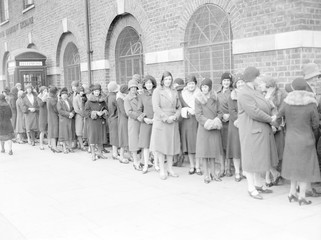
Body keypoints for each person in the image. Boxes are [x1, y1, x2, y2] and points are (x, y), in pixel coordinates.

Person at [276, 77, 320, 205]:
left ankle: (291, 193)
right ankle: (302, 196)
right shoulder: (311, 103)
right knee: (304, 167)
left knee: (293, 166)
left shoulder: (286, 102)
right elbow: (316, 124)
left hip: (290, 138)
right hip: (306, 139)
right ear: (305, 88)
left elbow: (278, 118)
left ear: (293, 88)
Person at [238, 67, 278, 200]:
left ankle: (258, 185)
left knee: (259, 160)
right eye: (258, 77)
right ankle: (251, 188)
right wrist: (271, 119)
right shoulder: (244, 93)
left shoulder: (256, 91)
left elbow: (268, 105)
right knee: (251, 160)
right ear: (252, 78)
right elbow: (254, 112)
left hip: (259, 131)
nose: (260, 80)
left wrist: (273, 113)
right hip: (251, 131)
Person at [150, 71, 181, 180]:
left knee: (171, 146)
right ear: (162, 80)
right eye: (166, 79)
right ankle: (162, 170)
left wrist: (175, 116)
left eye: (169, 79)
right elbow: (156, 108)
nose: (168, 81)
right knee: (162, 147)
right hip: (162, 122)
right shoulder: (157, 91)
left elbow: (179, 107)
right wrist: (165, 118)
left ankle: (170, 169)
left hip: (172, 121)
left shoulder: (174, 91)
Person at [195, 78, 224, 183]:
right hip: (204, 128)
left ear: (210, 87)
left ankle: (213, 173)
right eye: (202, 87)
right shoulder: (198, 99)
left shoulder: (215, 98)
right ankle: (206, 174)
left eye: (206, 86)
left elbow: (220, 112)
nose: (204, 89)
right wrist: (208, 122)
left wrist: (216, 120)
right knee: (204, 152)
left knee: (212, 152)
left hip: (214, 128)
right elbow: (198, 115)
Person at [262, 76, 287, 186]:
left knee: (275, 153)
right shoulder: (261, 94)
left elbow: (281, 112)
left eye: (268, 86)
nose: (265, 87)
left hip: (277, 127)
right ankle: (272, 175)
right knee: (266, 153)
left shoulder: (280, 95)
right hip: (266, 126)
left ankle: (275, 175)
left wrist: (276, 125)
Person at [179, 74, 201, 175]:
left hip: (197, 121)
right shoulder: (182, 95)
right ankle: (192, 165)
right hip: (187, 121)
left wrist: (196, 111)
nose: (191, 86)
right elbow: (179, 107)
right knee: (189, 144)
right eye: (189, 84)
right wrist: (187, 109)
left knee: (198, 144)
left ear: (195, 84)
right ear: (186, 85)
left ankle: (198, 166)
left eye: (192, 83)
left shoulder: (200, 94)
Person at [137, 75, 157, 174]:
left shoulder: (157, 94)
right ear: (144, 85)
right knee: (146, 145)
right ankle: (145, 165)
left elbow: (160, 108)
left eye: (150, 83)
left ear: (153, 83)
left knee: (156, 145)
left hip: (156, 122)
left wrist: (155, 119)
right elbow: (138, 110)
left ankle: (157, 165)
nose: (149, 85)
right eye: (147, 83)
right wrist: (144, 119)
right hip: (145, 123)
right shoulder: (141, 96)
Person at [226, 74, 245, 182]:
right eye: (238, 83)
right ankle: (237, 171)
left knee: (246, 149)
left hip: (247, 125)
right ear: (235, 85)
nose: (241, 84)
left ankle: (245, 171)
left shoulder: (248, 95)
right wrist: (241, 120)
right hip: (235, 125)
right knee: (236, 149)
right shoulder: (232, 96)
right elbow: (232, 112)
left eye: (242, 82)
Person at [85, 84, 108, 160]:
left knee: (100, 137)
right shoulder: (89, 101)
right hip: (93, 122)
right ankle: (93, 154)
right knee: (93, 138)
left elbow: (106, 109)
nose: (97, 93)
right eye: (95, 91)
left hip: (101, 121)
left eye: (98, 91)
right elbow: (86, 112)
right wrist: (95, 112)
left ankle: (100, 153)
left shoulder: (102, 101)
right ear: (92, 92)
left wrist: (104, 111)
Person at [124, 79, 144, 170]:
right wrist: (138, 116)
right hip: (133, 122)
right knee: (134, 143)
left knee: (142, 141)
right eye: (131, 88)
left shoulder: (140, 97)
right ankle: (136, 162)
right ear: (129, 89)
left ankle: (142, 161)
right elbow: (128, 112)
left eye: (135, 87)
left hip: (141, 121)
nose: (133, 89)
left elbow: (143, 107)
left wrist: (143, 115)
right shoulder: (127, 99)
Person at [217, 72, 233, 177]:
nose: (226, 82)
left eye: (228, 80)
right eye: (224, 81)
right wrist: (221, 116)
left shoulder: (233, 92)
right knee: (221, 146)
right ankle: (222, 168)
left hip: (230, 123)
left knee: (229, 145)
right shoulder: (217, 93)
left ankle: (228, 168)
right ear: (221, 82)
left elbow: (237, 107)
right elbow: (215, 108)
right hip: (220, 122)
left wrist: (230, 116)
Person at [57, 87, 75, 154]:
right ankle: (64, 148)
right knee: (64, 134)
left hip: (70, 119)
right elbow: (60, 111)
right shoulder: (59, 102)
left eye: (65, 94)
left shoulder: (69, 101)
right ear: (61, 96)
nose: (64, 96)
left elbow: (73, 108)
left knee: (70, 133)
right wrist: (68, 114)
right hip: (63, 120)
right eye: (63, 94)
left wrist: (72, 113)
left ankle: (70, 147)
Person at [116, 84, 130, 164]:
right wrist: (130, 115)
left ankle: (128, 154)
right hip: (123, 120)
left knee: (127, 137)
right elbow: (123, 111)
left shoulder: (123, 98)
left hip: (126, 120)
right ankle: (121, 156)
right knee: (124, 138)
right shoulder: (120, 99)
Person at [107, 81, 120, 159]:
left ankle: (115, 152)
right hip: (115, 117)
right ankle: (115, 153)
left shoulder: (109, 96)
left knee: (113, 135)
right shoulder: (114, 97)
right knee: (115, 136)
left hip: (111, 118)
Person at [73, 86, 87, 151]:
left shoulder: (84, 98)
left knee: (84, 130)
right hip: (79, 116)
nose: (82, 92)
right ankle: (81, 145)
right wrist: (83, 114)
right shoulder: (75, 99)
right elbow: (76, 109)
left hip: (84, 116)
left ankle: (81, 144)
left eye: (83, 91)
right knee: (79, 131)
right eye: (81, 91)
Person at [47, 86, 61, 153]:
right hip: (54, 117)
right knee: (54, 132)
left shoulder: (49, 98)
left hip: (50, 117)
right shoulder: (53, 99)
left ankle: (53, 146)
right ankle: (54, 147)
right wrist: (58, 100)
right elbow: (56, 109)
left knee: (52, 131)